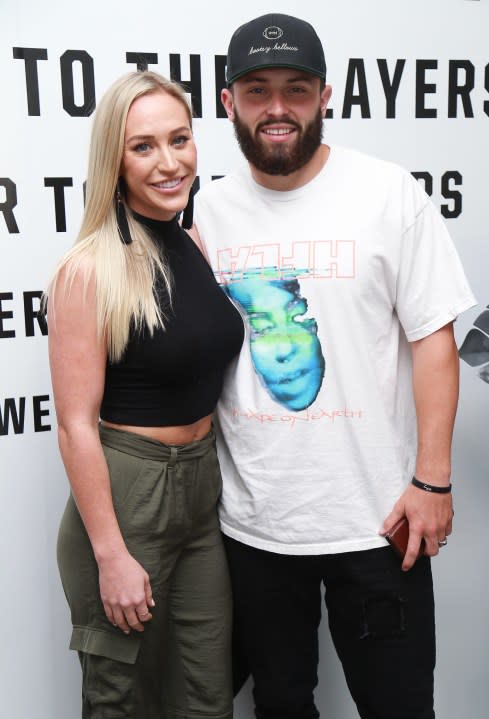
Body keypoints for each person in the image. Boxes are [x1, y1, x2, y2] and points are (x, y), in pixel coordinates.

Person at [194, 13, 476, 719]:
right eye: (256, 90)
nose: (277, 108)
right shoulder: (206, 211)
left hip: (380, 522)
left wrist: (431, 478)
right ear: (228, 102)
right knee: (281, 703)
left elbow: (432, 339)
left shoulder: (388, 194)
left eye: (296, 88)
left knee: (398, 703)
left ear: (327, 95)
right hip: (254, 525)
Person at [46, 70, 243, 719]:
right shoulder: (88, 268)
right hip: (127, 497)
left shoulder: (190, 244)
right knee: (121, 703)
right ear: (115, 159)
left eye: (178, 139)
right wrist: (111, 554)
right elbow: (75, 425)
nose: (169, 161)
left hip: (199, 494)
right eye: (143, 146)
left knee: (207, 698)